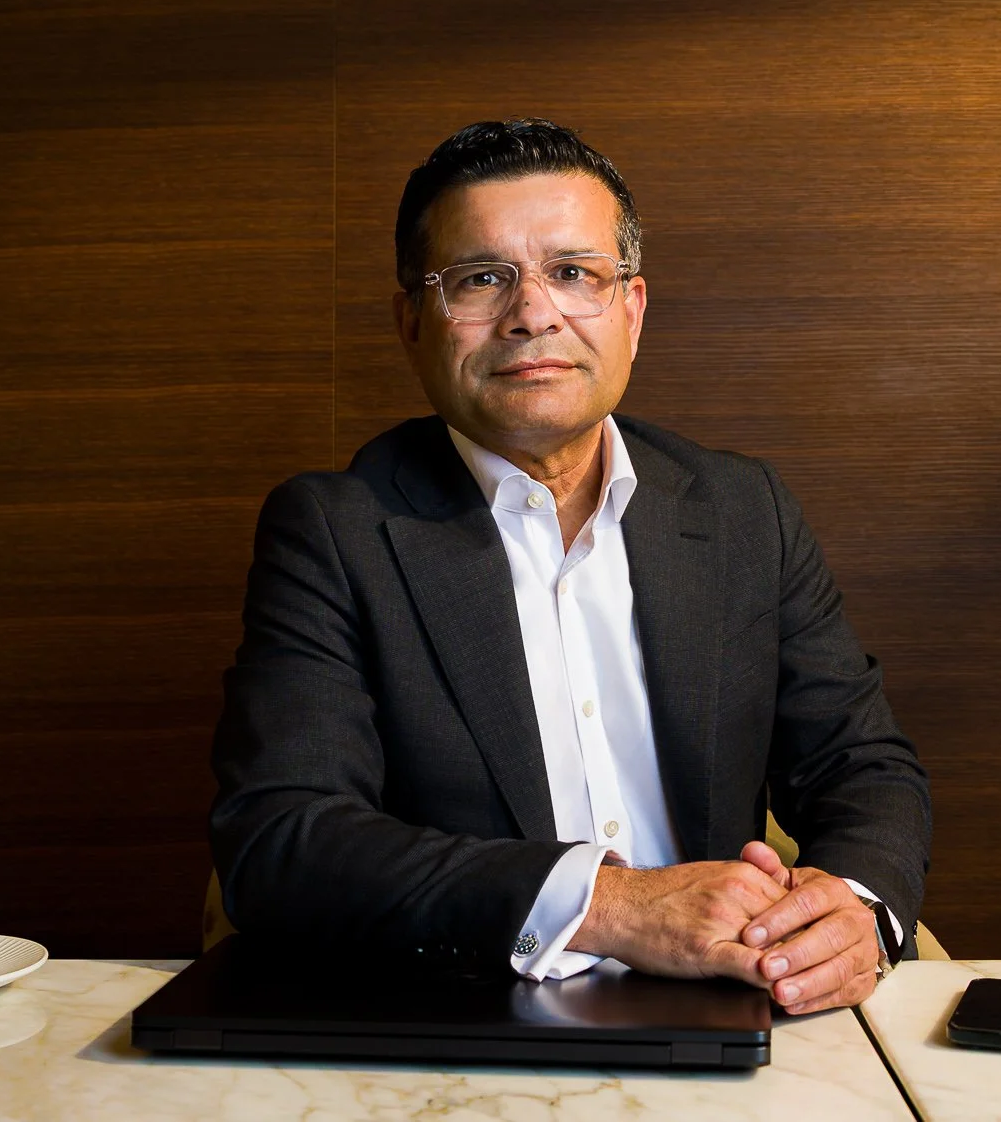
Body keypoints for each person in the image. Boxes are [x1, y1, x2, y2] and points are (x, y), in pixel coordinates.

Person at [210, 119, 930, 1014]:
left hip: (735, 1002)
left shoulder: (744, 510)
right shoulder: (334, 530)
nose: (533, 314)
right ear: (412, 323)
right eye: (481, 278)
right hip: (469, 1018)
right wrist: (606, 907)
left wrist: (852, 909)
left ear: (632, 309)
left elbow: (862, 765)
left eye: (574, 273)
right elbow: (283, 840)